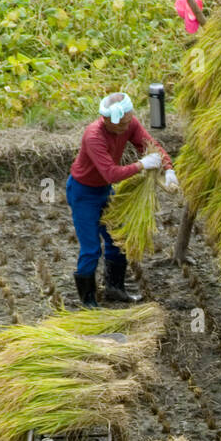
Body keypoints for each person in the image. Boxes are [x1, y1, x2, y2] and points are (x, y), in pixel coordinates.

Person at [66, 92, 179, 306]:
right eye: (121, 124)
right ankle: (88, 301)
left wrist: (168, 168)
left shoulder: (129, 123)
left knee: (117, 239)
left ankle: (114, 288)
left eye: (129, 121)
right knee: (91, 248)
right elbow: (111, 173)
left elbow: (149, 144)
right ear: (108, 119)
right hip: (83, 193)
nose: (126, 128)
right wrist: (142, 165)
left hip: (104, 190)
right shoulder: (94, 136)